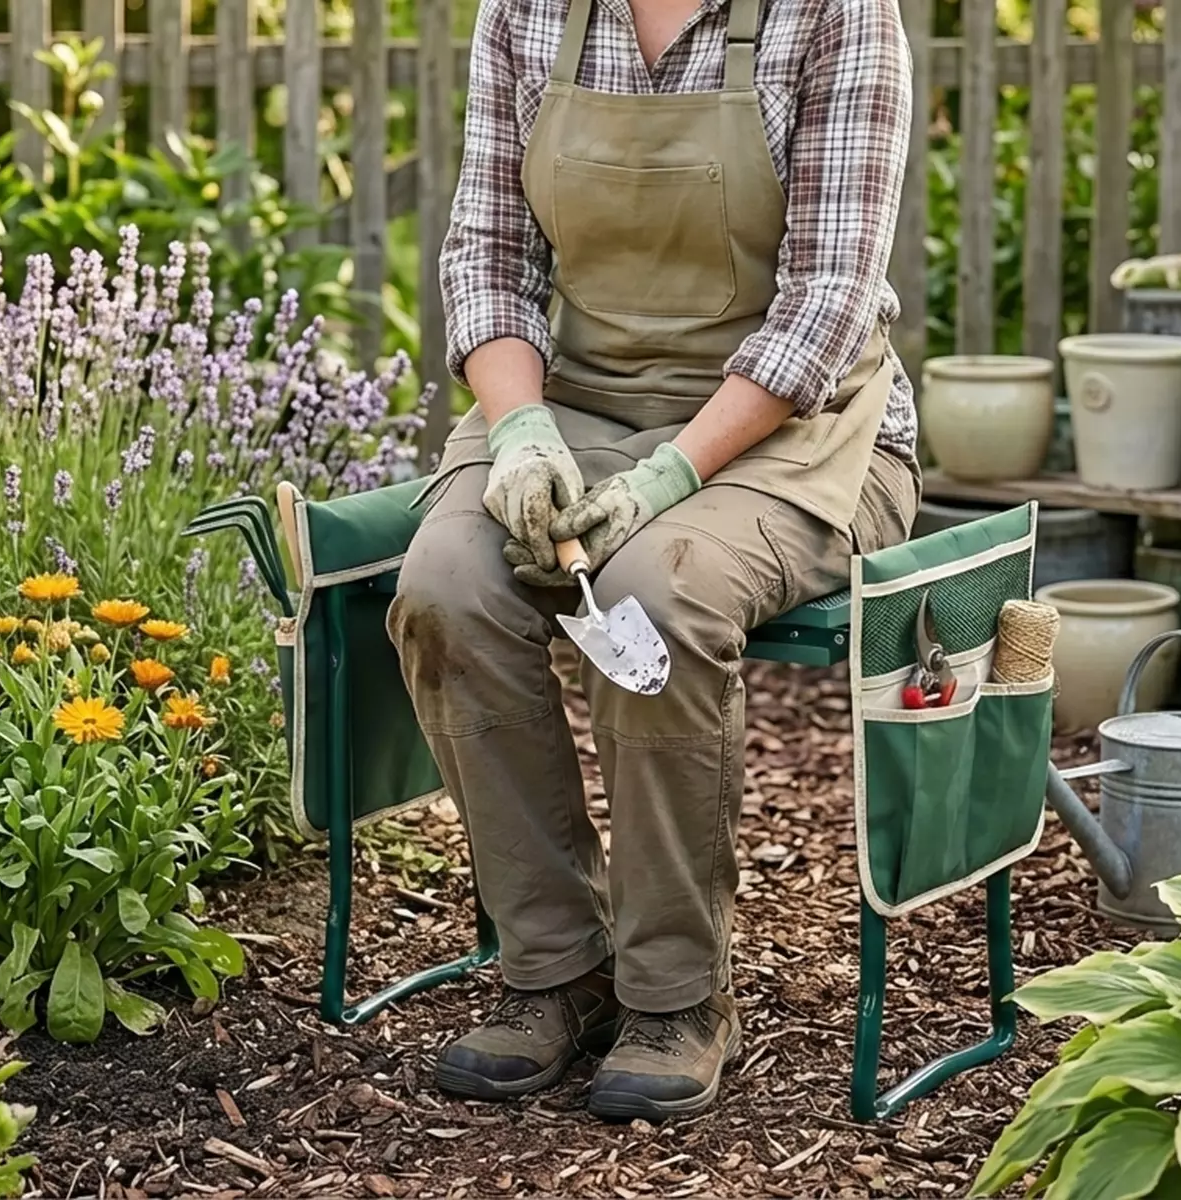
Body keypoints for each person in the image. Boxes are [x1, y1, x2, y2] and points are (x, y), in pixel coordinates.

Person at [386, 0, 918, 1123]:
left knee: (653, 591)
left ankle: (678, 994)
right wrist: (522, 430)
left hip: (795, 430)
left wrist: (671, 478)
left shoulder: (835, 13)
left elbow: (827, 304)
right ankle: (551, 971)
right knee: (447, 589)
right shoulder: (525, 12)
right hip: (575, 403)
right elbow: (485, 253)